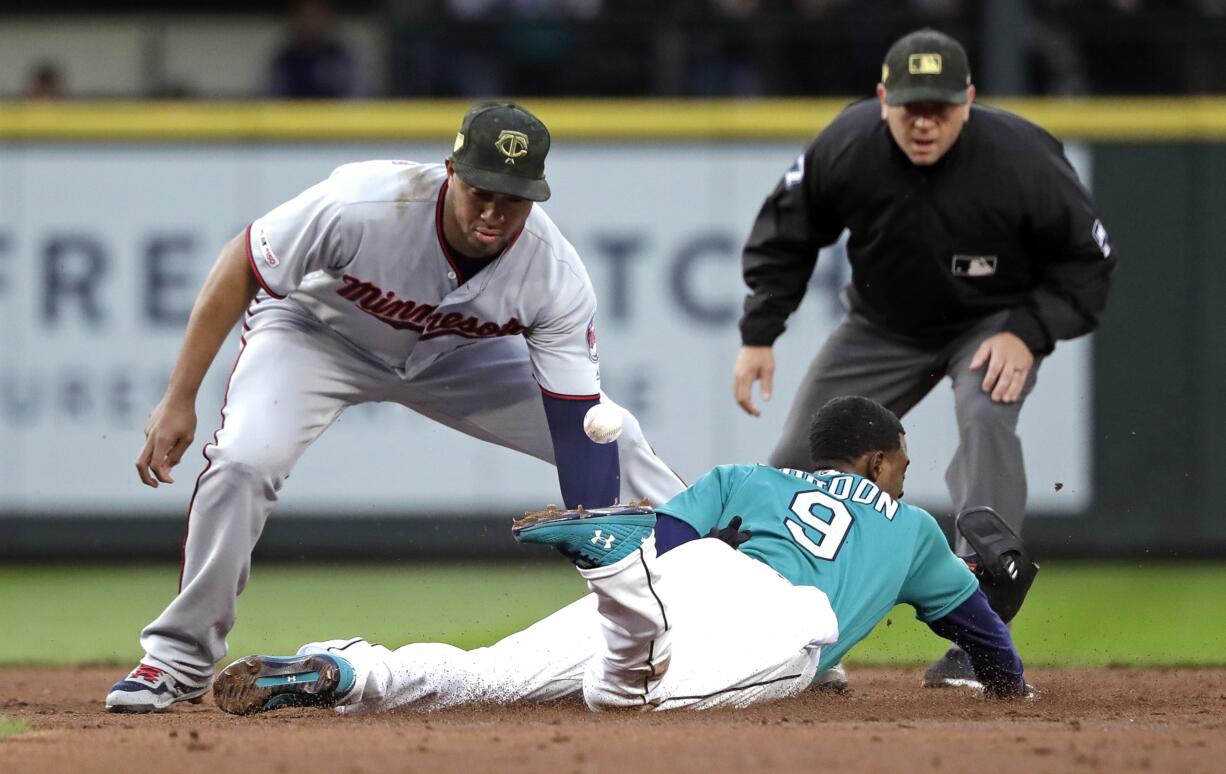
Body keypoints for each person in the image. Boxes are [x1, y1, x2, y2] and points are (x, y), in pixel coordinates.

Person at [105, 102, 686, 713]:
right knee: (245, 462)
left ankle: (726, 577)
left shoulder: (554, 272)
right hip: (316, 334)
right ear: (450, 171)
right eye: (481, 191)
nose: (493, 211)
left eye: (512, 198)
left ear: (537, 196)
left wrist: (592, 525)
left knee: (618, 439)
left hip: (455, 357)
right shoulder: (365, 202)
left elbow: (577, 420)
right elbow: (240, 263)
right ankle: (178, 659)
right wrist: (180, 397)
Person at [211, 396, 1031, 716]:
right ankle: (615, 586)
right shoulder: (914, 526)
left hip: (690, 572)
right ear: (878, 462)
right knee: (636, 703)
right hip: (787, 620)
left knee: (489, 676)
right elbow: (984, 634)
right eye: (901, 461)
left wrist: (643, 560)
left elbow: (666, 543)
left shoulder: (745, 476)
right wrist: (1011, 683)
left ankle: (349, 672)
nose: (903, 472)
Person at [730, 28, 1114, 686]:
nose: (925, 122)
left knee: (988, 417)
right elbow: (787, 233)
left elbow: (1089, 263)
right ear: (883, 100)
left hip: (990, 323)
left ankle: (982, 620)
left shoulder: (1022, 156)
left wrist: (1027, 328)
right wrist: (761, 332)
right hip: (883, 325)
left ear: (969, 100)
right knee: (797, 458)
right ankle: (795, 630)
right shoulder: (847, 145)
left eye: (940, 107)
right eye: (912, 107)